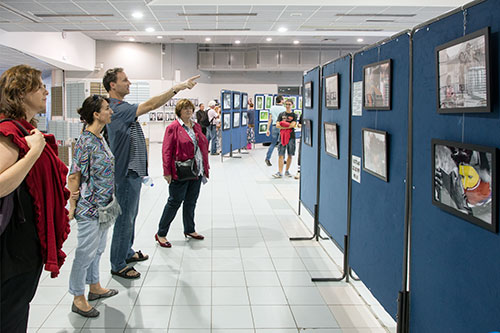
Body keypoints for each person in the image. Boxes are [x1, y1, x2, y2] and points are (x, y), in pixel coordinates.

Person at [103, 67, 199, 279]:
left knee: (131, 215)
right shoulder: (116, 108)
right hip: (125, 173)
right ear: (112, 85)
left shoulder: (120, 106)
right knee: (124, 219)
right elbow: (151, 104)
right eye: (124, 80)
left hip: (133, 172)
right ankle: (118, 264)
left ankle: (126, 252)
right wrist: (178, 87)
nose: (129, 83)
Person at [0, 65, 70, 332]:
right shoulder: (9, 132)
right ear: (19, 93)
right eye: (38, 85)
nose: (44, 90)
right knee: (11, 314)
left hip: (24, 242)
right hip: (14, 246)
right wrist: (32, 154)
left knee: (17, 307)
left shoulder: (24, 130)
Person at [67, 95, 119, 318]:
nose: (111, 112)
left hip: (105, 206)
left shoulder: (100, 137)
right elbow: (74, 175)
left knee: (97, 249)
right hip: (89, 208)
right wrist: (72, 205)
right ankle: (78, 297)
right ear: (96, 114)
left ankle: (94, 286)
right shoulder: (85, 142)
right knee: (85, 252)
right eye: (107, 109)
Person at [155, 99, 209, 247]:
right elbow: (166, 151)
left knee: (191, 201)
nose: (188, 111)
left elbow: (202, 146)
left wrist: (205, 167)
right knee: (174, 202)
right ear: (179, 111)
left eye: (190, 108)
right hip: (180, 171)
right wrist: (167, 171)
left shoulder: (196, 126)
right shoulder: (173, 128)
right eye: (185, 109)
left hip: (196, 169)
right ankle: (161, 233)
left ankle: (190, 229)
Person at [273, 99, 297, 178]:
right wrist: (287, 125)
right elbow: (277, 125)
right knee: (281, 154)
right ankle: (280, 172)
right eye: (286, 104)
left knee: (290, 154)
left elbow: (293, 125)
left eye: (289, 104)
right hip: (282, 136)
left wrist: (282, 124)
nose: (287, 106)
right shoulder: (281, 114)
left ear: (292, 105)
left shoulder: (294, 115)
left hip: (291, 137)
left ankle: (287, 171)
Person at [265, 95, 285, 166]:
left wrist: (267, 129)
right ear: (281, 100)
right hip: (281, 127)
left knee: (273, 143)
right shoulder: (284, 108)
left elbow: (270, 119)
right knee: (282, 143)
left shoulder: (272, 108)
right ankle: (283, 158)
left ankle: (267, 158)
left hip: (274, 127)